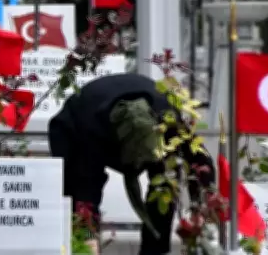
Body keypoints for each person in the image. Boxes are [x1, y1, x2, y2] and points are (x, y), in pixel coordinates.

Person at [48, 73, 214, 255]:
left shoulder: (169, 120)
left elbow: (201, 161)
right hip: (74, 124)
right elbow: (86, 195)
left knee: (166, 184)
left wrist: (199, 208)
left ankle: (154, 251)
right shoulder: (92, 132)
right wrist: (88, 238)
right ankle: (80, 244)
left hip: (152, 121)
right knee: (73, 192)